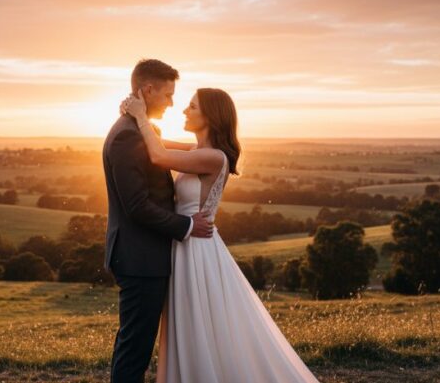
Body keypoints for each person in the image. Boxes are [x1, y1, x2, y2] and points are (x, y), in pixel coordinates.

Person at [120, 85, 321, 383]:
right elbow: (161, 144)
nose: (184, 111)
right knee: (190, 323)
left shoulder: (213, 158)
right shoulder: (200, 151)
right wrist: (142, 125)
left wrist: (139, 116)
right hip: (186, 244)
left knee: (198, 322)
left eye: (192, 106)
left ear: (211, 116)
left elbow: (159, 156)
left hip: (196, 250)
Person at [103, 59, 215, 383]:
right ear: (148, 90)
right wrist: (188, 226)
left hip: (145, 257)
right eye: (167, 95)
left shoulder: (141, 129)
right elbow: (136, 205)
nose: (171, 103)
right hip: (140, 259)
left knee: (133, 342)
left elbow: (169, 151)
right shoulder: (127, 136)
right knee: (135, 348)